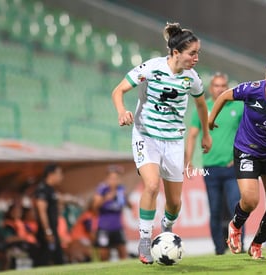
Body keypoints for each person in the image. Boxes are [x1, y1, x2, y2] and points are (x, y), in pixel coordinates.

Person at [111, 22, 212, 264]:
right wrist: (122, 111)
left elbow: (201, 104)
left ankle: (166, 228)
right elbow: (119, 90)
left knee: (175, 203)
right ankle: (145, 241)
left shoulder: (192, 79)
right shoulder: (152, 68)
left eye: (198, 53)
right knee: (152, 185)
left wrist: (206, 133)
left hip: (174, 141)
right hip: (146, 135)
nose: (196, 58)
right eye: (192, 53)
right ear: (176, 53)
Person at [208, 56, 266, 259]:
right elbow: (224, 96)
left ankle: (257, 244)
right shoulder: (252, 89)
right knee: (250, 200)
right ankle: (235, 225)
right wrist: (210, 120)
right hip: (246, 150)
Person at [185, 72, 244, 255]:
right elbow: (192, 135)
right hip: (210, 168)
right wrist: (188, 161)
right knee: (215, 209)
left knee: (238, 207)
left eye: (223, 85)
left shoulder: (238, 107)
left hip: (232, 167)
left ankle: (237, 245)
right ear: (211, 88)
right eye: (217, 85)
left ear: (228, 88)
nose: (220, 88)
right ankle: (219, 249)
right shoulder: (203, 108)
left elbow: (246, 132)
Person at [92, 165, 130, 262]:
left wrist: (125, 197)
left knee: (123, 252)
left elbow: (129, 206)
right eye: (112, 178)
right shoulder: (102, 189)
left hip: (117, 227)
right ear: (107, 179)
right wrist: (106, 198)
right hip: (104, 228)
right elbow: (94, 207)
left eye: (116, 178)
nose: (114, 181)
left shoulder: (121, 189)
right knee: (104, 255)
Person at [34, 163, 65, 266]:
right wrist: (47, 231)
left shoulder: (52, 190)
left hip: (53, 229)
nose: (61, 177)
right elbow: (41, 211)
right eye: (59, 174)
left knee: (55, 258)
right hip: (46, 230)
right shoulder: (42, 189)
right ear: (51, 174)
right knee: (45, 258)